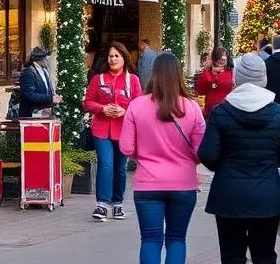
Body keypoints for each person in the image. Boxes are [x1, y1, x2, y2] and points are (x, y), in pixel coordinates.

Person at [199, 53, 280, 264]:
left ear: (237, 78)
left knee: (232, 256)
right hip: (267, 194)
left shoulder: (221, 112)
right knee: (264, 255)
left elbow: (207, 154)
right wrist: (270, 162)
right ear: (263, 79)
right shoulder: (278, 113)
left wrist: (224, 166)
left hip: (229, 195)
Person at [119, 53, 206, 264]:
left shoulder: (137, 106)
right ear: (179, 75)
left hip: (147, 183)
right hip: (183, 183)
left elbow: (125, 146)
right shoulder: (192, 108)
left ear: (154, 75)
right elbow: (202, 150)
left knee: (150, 239)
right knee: (177, 239)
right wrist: (188, 161)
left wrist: (146, 155)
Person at [84, 41, 142, 221]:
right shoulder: (98, 79)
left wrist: (125, 110)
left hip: (124, 129)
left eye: (117, 56)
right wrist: (102, 109)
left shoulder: (132, 80)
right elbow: (88, 102)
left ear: (124, 59)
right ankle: (102, 204)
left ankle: (118, 204)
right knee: (106, 163)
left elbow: (139, 103)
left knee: (120, 168)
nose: (113, 59)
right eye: (110, 56)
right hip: (101, 129)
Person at [19, 46, 62, 117]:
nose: (48, 62)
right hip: (31, 113)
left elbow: (47, 89)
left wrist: (53, 96)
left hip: (44, 112)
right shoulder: (28, 72)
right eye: (46, 59)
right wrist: (49, 99)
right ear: (40, 59)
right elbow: (29, 94)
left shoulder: (44, 71)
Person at [196, 47, 234, 118]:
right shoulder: (207, 73)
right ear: (214, 59)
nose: (222, 60)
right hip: (211, 111)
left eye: (224, 57)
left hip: (228, 109)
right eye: (220, 57)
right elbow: (200, 91)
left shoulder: (231, 72)